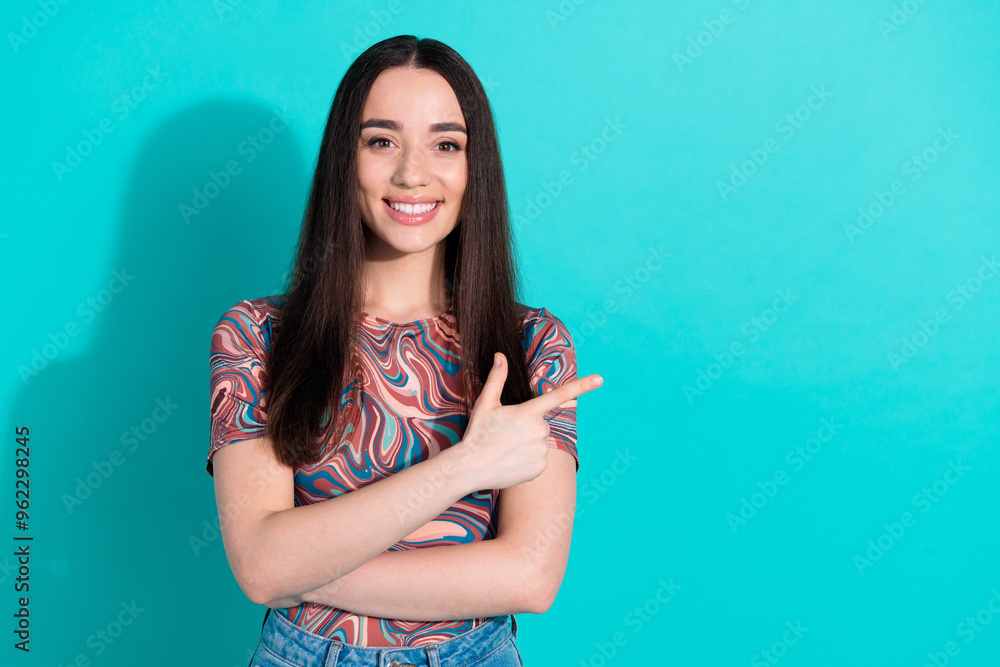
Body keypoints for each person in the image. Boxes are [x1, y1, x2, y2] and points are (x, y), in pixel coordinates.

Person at [206, 35, 603, 667]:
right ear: (346, 158)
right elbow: (258, 569)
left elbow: (530, 577)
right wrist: (466, 466)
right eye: (381, 140)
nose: (412, 173)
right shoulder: (256, 335)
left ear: (477, 167)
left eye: (446, 144)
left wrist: (296, 567)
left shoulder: (534, 344)